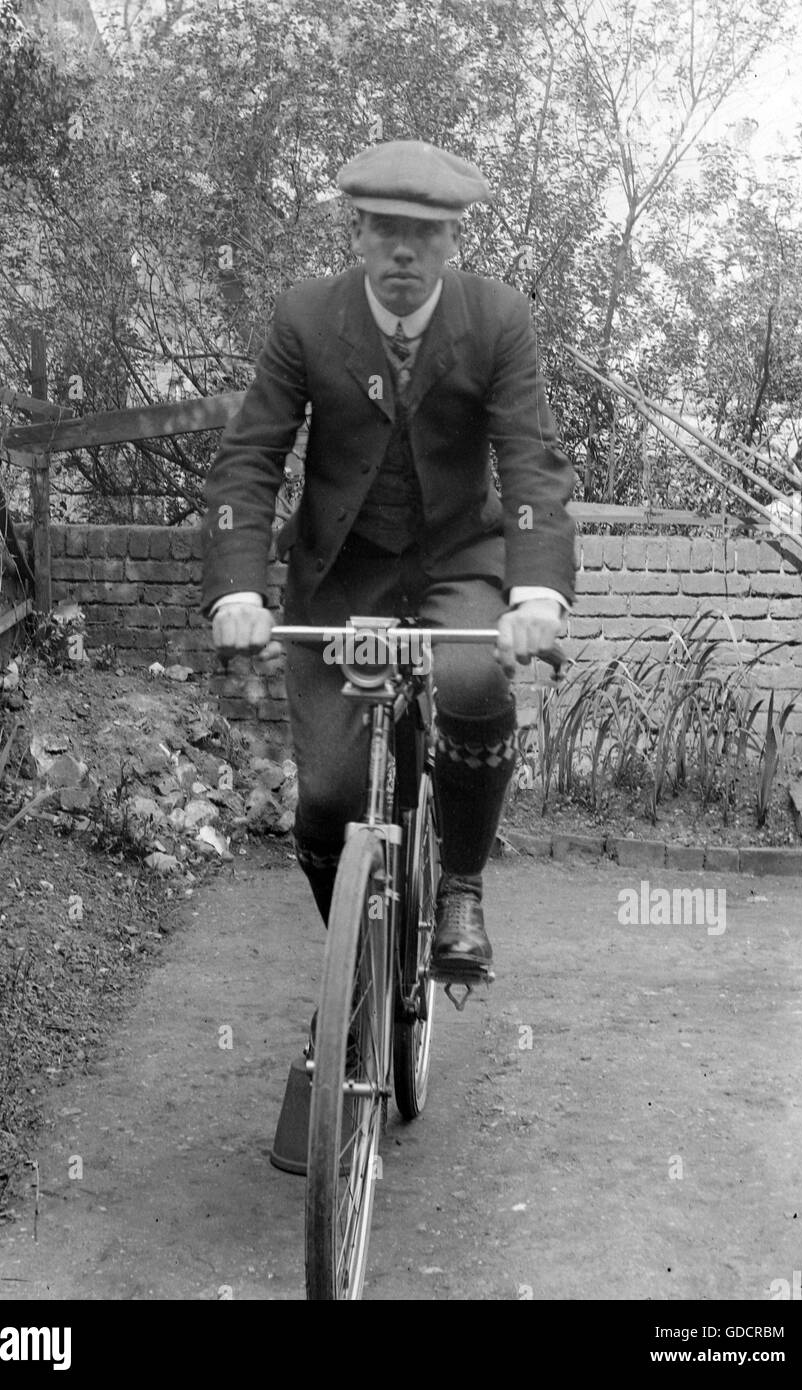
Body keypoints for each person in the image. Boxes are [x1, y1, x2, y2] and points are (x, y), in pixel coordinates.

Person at [201, 139, 576, 981]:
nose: (404, 251)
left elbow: (529, 459)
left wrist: (537, 590)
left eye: (425, 233)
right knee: (327, 800)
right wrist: (236, 588)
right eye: (386, 230)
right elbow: (251, 456)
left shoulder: (497, 318)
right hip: (343, 573)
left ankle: (462, 889)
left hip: (458, 562)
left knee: (475, 683)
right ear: (357, 234)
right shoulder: (306, 316)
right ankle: (356, 970)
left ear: (452, 241)